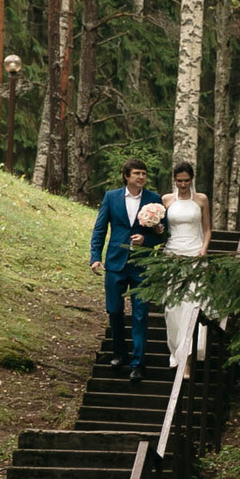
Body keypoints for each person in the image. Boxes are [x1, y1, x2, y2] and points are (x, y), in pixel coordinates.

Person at [89, 161, 164, 380]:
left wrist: (146, 239)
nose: (141, 177)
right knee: (114, 310)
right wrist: (95, 257)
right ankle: (119, 353)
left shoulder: (154, 200)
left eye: (144, 173)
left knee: (140, 314)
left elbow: (162, 233)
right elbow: (100, 229)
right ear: (126, 176)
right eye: (136, 173)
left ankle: (138, 363)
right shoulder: (111, 197)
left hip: (141, 264)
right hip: (115, 263)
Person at [159, 161, 212, 368]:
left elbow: (207, 228)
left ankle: (189, 358)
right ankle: (177, 353)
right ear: (174, 180)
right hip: (173, 255)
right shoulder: (166, 200)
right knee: (173, 308)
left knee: (192, 305)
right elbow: (162, 228)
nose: (183, 184)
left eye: (186, 181)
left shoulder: (201, 199)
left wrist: (204, 249)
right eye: (179, 181)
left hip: (195, 254)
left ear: (192, 180)